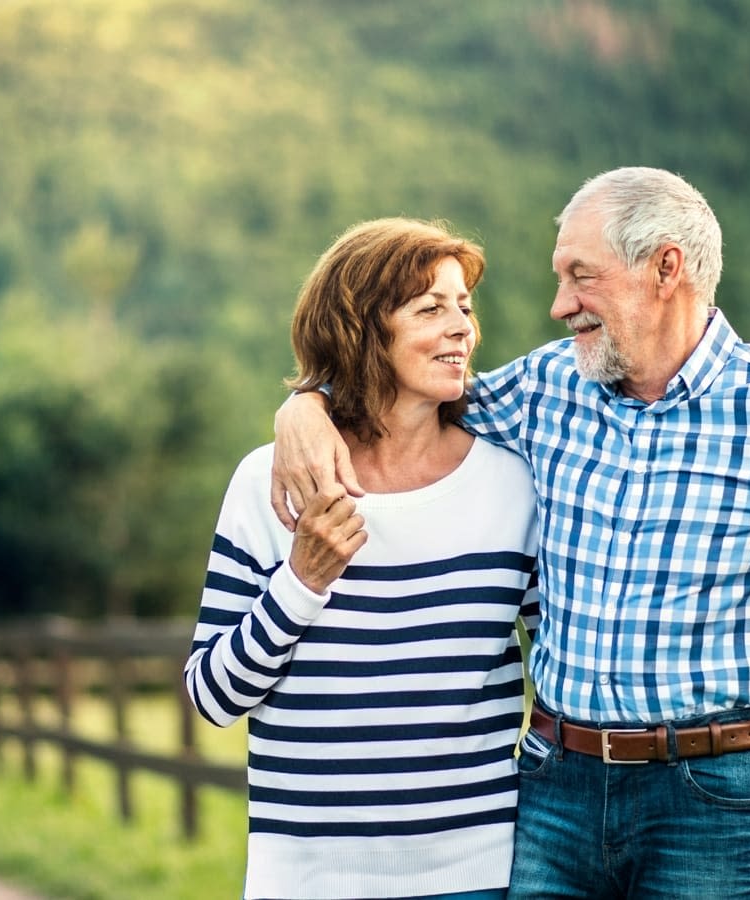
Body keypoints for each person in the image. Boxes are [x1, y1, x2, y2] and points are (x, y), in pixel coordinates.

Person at [270, 167, 750, 898]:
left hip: (708, 799)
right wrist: (306, 403)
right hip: (553, 791)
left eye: (581, 275)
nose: (559, 305)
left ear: (667, 268)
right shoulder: (547, 387)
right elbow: (406, 392)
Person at [185, 218, 541, 900]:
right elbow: (213, 696)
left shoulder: (509, 485)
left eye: (464, 306)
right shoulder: (269, 483)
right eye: (430, 308)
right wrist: (301, 581)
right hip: (305, 882)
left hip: (476, 876)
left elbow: (563, 666)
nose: (462, 327)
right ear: (359, 329)